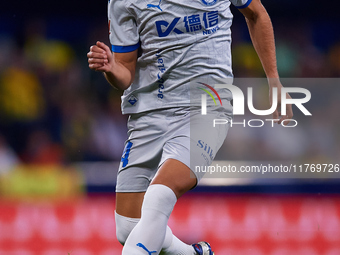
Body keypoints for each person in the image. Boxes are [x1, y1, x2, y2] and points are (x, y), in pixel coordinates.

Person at [87, 0, 293, 254]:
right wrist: (111, 67)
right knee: (128, 228)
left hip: (206, 106)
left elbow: (256, 13)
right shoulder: (123, 2)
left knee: (158, 198)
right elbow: (125, 71)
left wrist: (274, 79)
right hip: (148, 114)